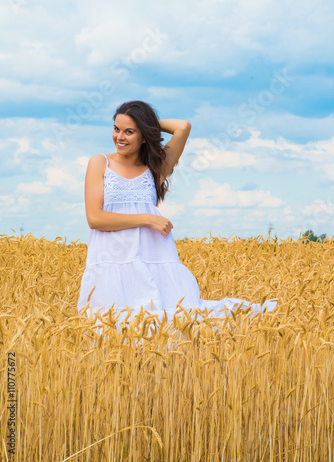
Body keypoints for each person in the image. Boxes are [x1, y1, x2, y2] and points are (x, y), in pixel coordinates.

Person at [77, 100, 277, 324]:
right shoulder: (100, 162)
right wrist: (147, 219)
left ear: (144, 135)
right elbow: (95, 219)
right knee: (113, 325)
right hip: (111, 260)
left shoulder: (154, 169)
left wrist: (146, 123)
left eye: (129, 131)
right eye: (116, 129)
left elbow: (183, 127)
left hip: (153, 258)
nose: (119, 137)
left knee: (171, 321)